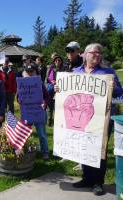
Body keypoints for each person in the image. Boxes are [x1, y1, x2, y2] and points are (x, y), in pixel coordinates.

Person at [55, 43, 123, 196]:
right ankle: (87, 179)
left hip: (102, 119)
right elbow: (65, 92)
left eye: (100, 53)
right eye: (94, 52)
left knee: (99, 150)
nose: (98, 55)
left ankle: (98, 182)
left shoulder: (108, 72)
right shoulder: (74, 72)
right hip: (80, 118)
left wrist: (114, 87)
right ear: (84, 54)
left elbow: (120, 95)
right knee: (83, 147)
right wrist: (58, 89)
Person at [19, 64, 50, 160]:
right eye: (28, 72)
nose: (30, 74)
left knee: (42, 134)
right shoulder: (21, 84)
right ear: (24, 73)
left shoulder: (39, 83)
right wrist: (20, 100)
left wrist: (45, 102)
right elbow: (18, 98)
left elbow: (47, 96)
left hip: (39, 112)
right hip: (27, 112)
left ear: (35, 72)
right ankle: (25, 151)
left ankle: (45, 152)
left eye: (32, 72)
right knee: (25, 133)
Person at [46, 53, 65, 126]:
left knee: (57, 107)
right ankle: (49, 122)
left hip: (59, 90)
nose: (57, 61)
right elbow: (47, 78)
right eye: (56, 60)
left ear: (61, 61)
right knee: (49, 106)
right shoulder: (50, 68)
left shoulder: (64, 69)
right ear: (54, 61)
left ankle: (57, 123)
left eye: (59, 60)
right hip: (50, 89)